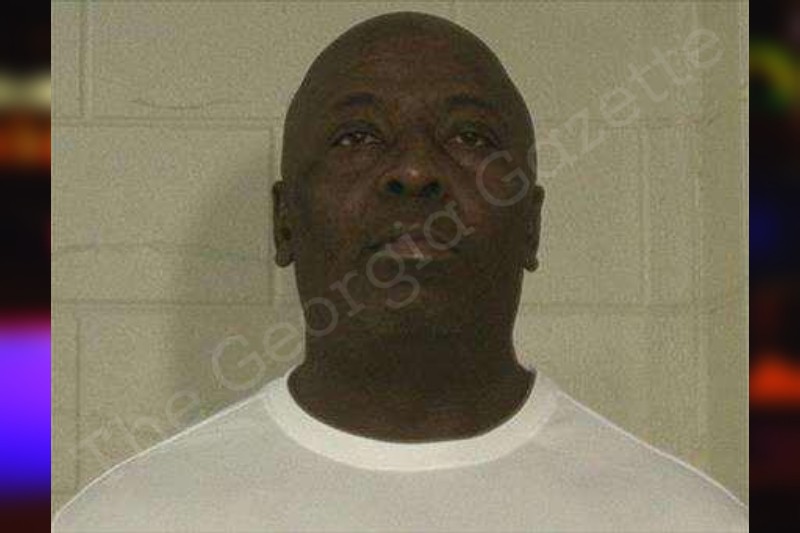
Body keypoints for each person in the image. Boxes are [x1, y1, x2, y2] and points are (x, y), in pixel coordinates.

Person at [53, 12, 748, 532]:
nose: (415, 171)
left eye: (468, 136)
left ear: (531, 225)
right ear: (284, 222)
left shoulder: (687, 519)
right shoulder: (127, 518)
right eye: (357, 136)